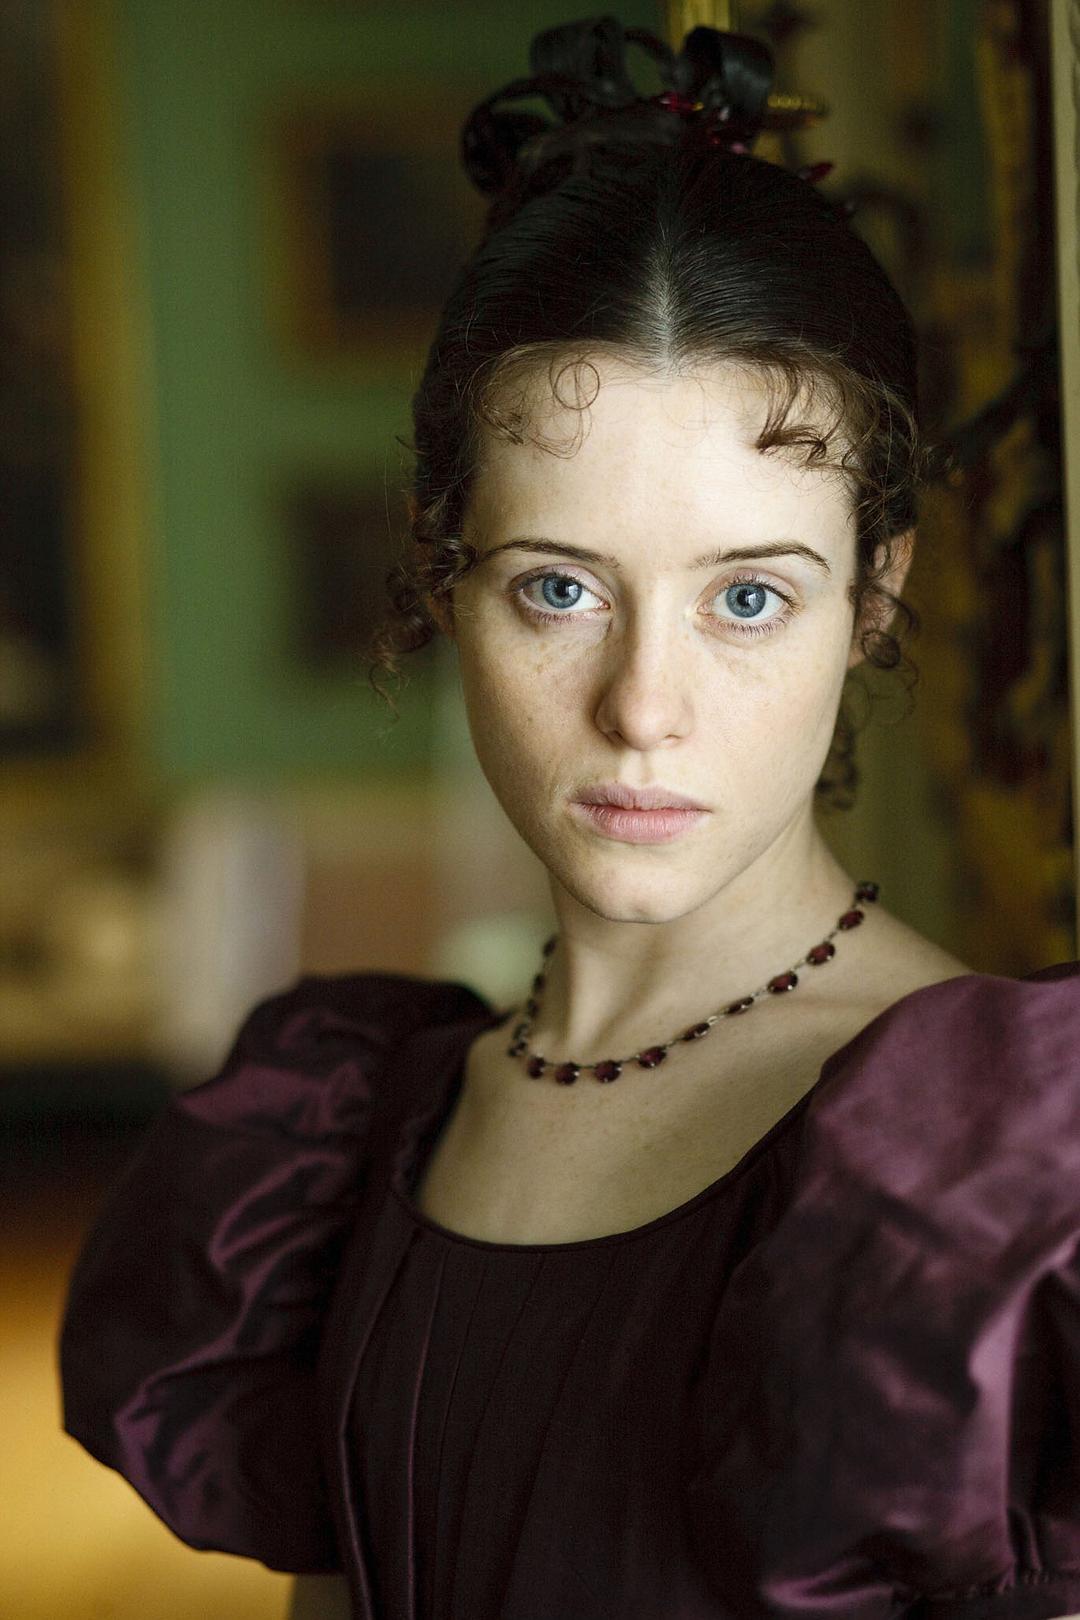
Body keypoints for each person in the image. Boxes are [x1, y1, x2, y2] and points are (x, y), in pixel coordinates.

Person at [58, 18, 1080, 1620]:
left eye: (749, 596)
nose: (643, 706)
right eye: (559, 590)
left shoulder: (999, 1190)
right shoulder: (349, 1137)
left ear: (874, 598)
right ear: (442, 574)